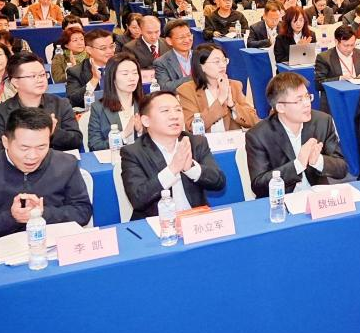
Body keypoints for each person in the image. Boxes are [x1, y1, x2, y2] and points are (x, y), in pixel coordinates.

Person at [0, 106, 92, 242]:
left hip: (54, 244)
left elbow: (83, 212)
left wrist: (43, 213)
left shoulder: (66, 164)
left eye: (41, 147)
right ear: (5, 142)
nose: (33, 156)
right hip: (4, 249)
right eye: (24, 148)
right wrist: (11, 217)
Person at [120, 90, 226, 219]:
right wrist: (172, 169)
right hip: (157, 223)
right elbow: (138, 199)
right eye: (165, 111)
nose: (174, 116)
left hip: (195, 220)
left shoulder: (195, 142)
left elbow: (219, 182)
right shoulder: (133, 152)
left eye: (178, 110)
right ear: (146, 121)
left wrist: (191, 168)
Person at [245, 72, 347, 197]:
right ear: (280, 107)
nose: (307, 103)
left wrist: (318, 161)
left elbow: (342, 169)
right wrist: (298, 165)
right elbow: (259, 185)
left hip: (317, 198)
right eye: (299, 100)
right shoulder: (258, 135)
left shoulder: (323, 121)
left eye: (307, 97)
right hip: (282, 200)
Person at [0, 52, 83, 152]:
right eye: (32, 76)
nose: (40, 80)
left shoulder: (61, 104)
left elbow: (76, 141)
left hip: (55, 160)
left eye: (42, 75)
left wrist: (54, 132)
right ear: (15, 82)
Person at [176, 43, 259, 133]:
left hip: (231, 140)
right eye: (217, 62)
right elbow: (191, 126)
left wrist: (232, 105)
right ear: (201, 66)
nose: (223, 65)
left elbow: (254, 121)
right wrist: (220, 99)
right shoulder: (186, 90)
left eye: (224, 60)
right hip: (204, 141)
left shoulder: (234, 85)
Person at [87, 52, 144, 151]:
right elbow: (94, 145)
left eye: (135, 73)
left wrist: (141, 132)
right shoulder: (98, 108)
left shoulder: (146, 104)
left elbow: (161, 140)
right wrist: (123, 135)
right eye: (125, 74)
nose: (132, 78)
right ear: (112, 77)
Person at [65, 29, 117, 108]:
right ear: (89, 50)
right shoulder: (76, 72)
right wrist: (94, 80)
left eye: (112, 46)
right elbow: (72, 101)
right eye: (103, 48)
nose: (110, 51)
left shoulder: (121, 66)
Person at [315, 24, 360, 89]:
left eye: (352, 45)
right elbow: (319, 84)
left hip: (359, 90)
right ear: (336, 42)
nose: (349, 49)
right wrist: (340, 79)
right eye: (346, 45)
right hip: (337, 92)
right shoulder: (324, 57)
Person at [154, 19, 196, 91]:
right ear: (169, 41)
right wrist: (194, 77)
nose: (187, 40)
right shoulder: (161, 62)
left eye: (189, 35)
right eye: (181, 37)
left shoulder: (200, 56)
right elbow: (165, 87)